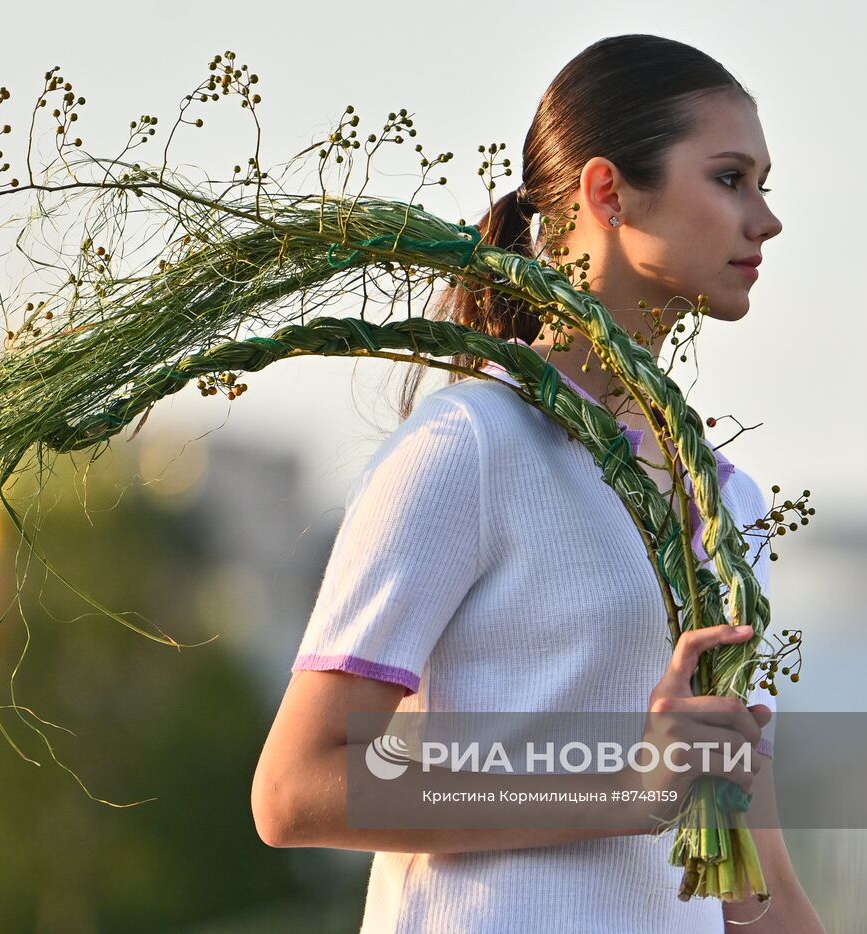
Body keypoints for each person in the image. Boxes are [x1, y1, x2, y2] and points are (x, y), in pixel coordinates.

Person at [252, 34, 825, 933]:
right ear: (608, 192)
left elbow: (756, 886)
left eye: (764, 184)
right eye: (728, 178)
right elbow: (294, 788)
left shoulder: (729, 500)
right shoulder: (470, 446)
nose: (765, 218)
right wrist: (625, 782)